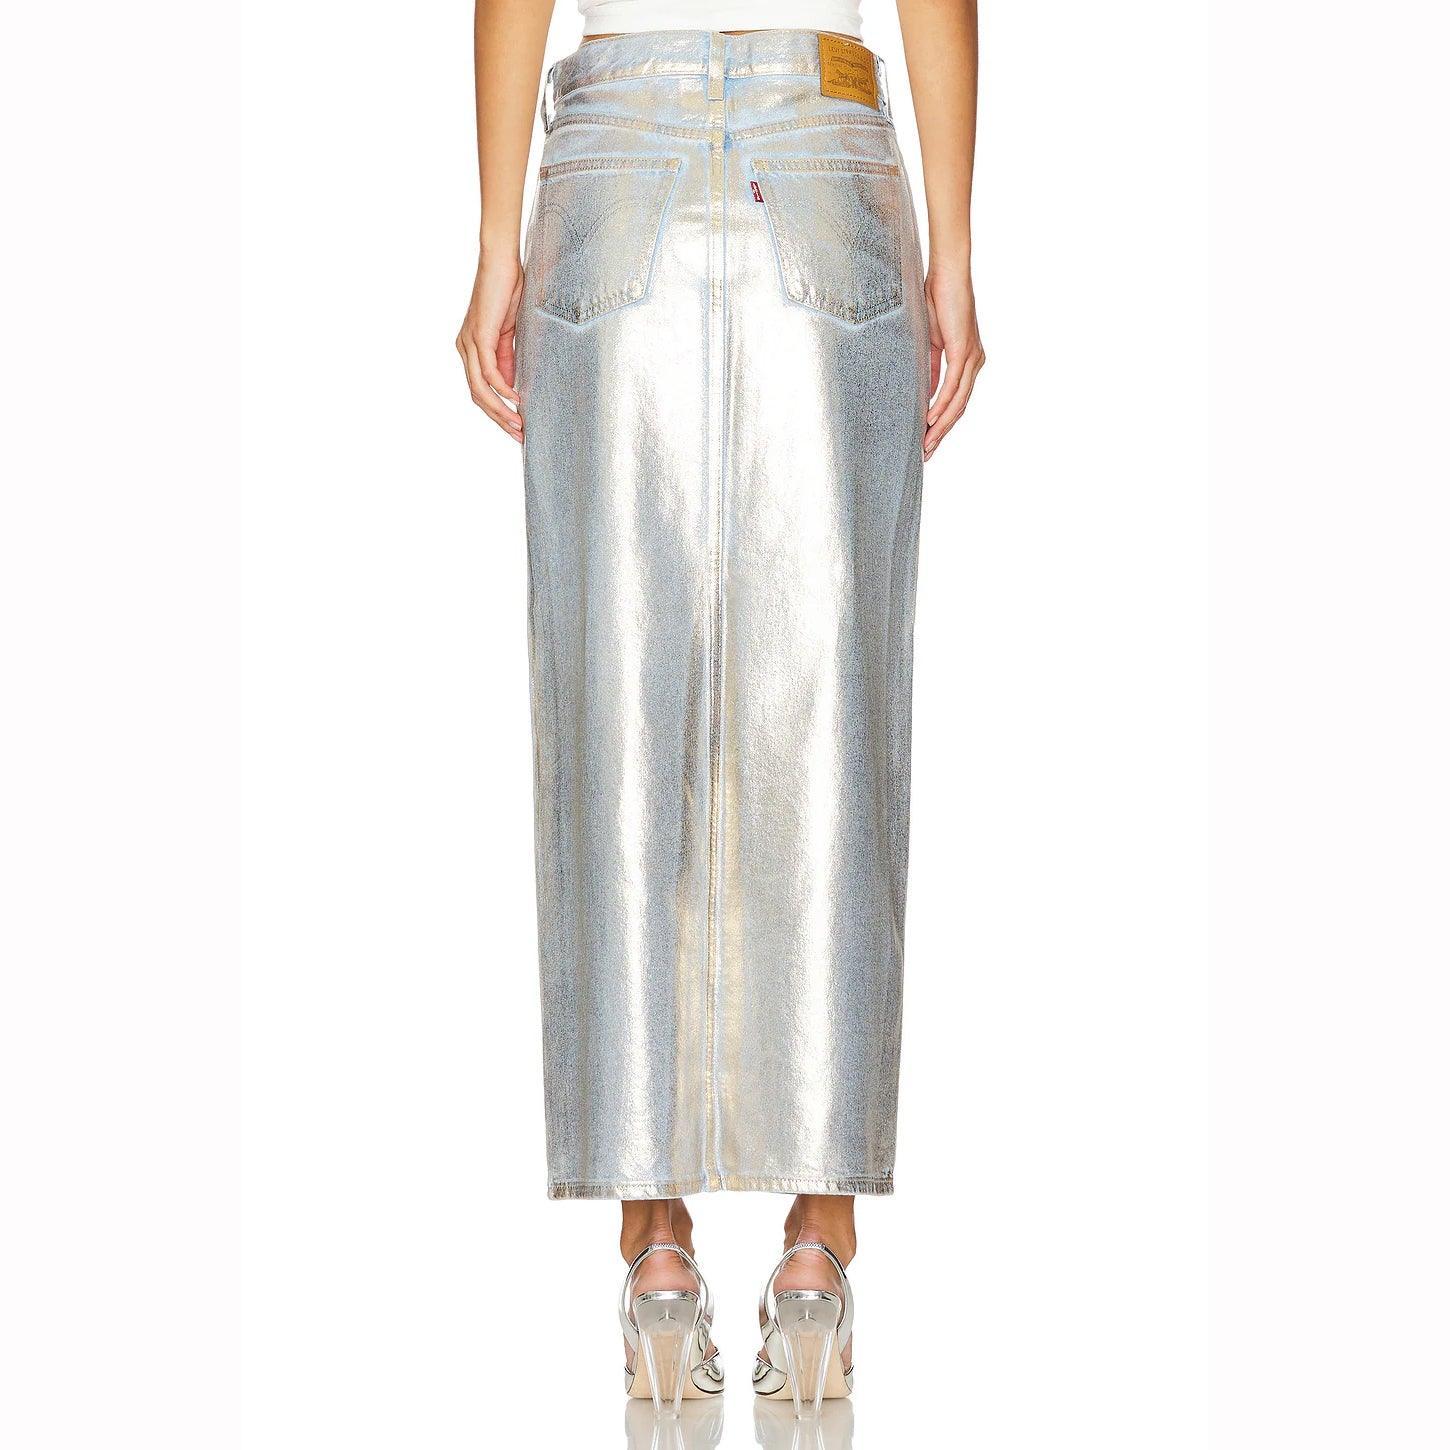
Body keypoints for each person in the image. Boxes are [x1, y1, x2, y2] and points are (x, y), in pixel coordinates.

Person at [456, 0, 984, 1418]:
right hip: (822, 154)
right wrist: (954, 250)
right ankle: (816, 1254)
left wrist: (497, 238)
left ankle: (656, 1256)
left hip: (612, 163)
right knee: (834, 712)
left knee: (612, 708)